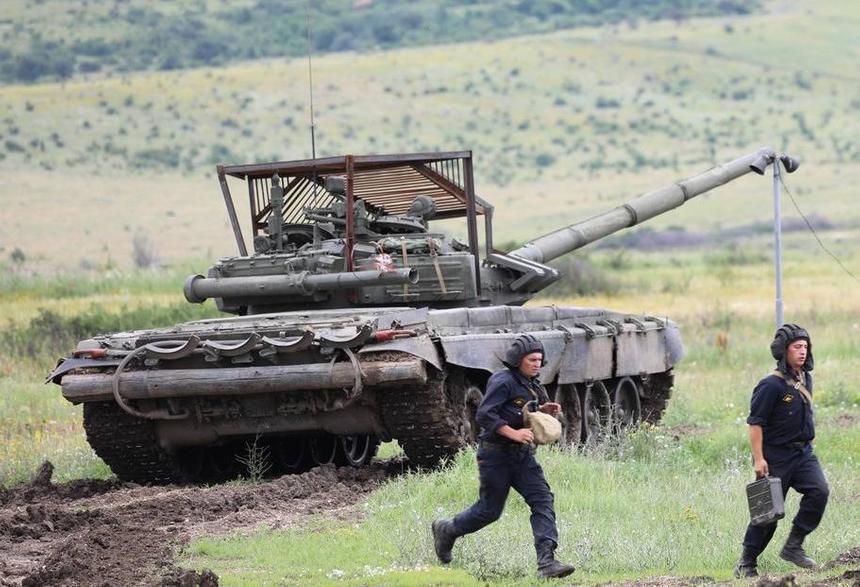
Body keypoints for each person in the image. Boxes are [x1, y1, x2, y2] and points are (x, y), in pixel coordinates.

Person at [431, 334, 576, 579]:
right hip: (494, 455)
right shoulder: (503, 380)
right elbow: (485, 415)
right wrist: (514, 433)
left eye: (540, 359)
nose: (537, 363)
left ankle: (547, 563)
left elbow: (521, 410)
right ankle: (448, 530)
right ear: (518, 360)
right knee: (490, 511)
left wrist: (543, 410)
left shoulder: (533, 384)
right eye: (532, 359)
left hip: (522, 457)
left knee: (542, 500)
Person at [734, 324, 829, 578]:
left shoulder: (805, 379)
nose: (802, 352)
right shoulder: (770, 385)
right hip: (775, 456)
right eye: (797, 347)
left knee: (819, 491)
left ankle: (794, 545)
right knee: (768, 514)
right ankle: (747, 562)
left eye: (805, 347)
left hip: (803, 454)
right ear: (783, 351)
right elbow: (755, 424)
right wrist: (759, 458)